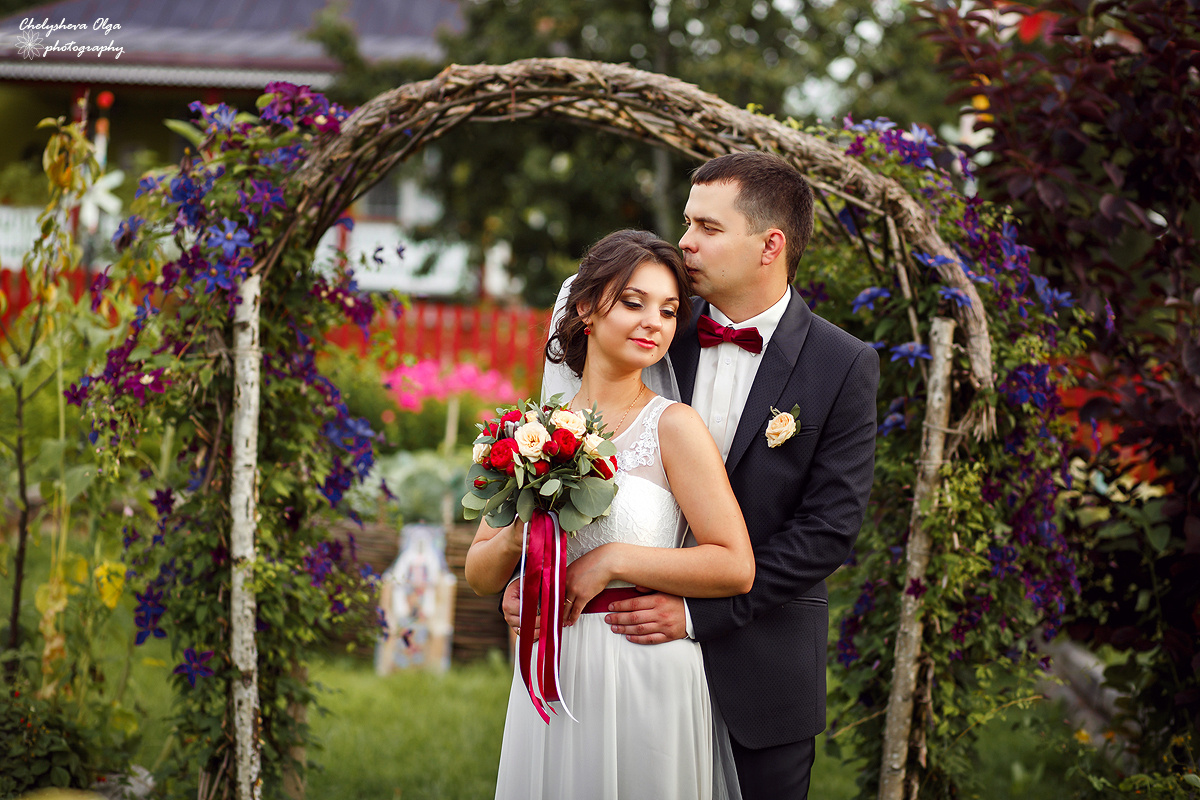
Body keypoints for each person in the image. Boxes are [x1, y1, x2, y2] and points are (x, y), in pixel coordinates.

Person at [513, 151, 880, 799]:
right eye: (687, 222)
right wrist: (531, 579)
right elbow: (565, 475)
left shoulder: (842, 365)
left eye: (707, 228)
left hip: (762, 668)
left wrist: (694, 616)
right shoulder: (650, 327)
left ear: (770, 245)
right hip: (613, 664)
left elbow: (828, 532)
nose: (685, 242)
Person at [466, 229, 755, 800]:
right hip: (553, 662)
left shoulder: (674, 427)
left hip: (645, 668)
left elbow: (734, 564)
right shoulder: (528, 433)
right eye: (633, 302)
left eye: (669, 311)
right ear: (585, 308)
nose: (654, 322)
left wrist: (613, 558)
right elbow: (479, 573)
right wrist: (523, 531)